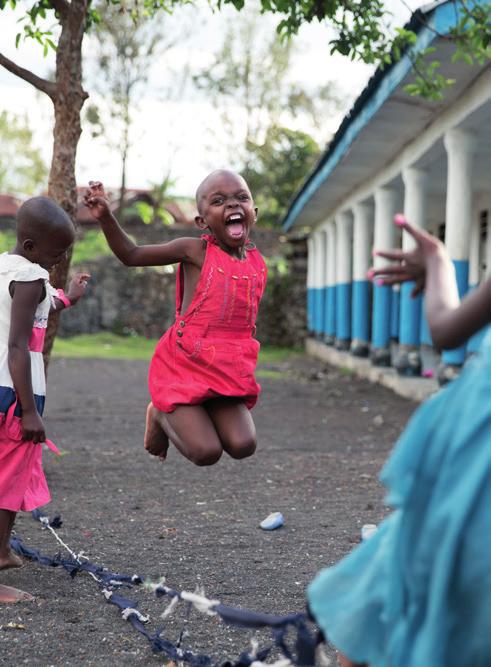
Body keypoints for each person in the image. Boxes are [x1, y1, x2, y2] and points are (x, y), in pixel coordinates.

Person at [307, 214, 491, 667]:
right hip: (472, 467)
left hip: (474, 467)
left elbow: (447, 329)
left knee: (389, 603)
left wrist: (437, 261)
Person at [84, 170, 267, 466]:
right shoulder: (195, 251)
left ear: (253, 213)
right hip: (186, 366)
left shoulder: (258, 264)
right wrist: (106, 216)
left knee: (244, 444)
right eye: (219, 201)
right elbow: (131, 254)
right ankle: (159, 411)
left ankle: (204, 409)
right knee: (206, 453)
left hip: (227, 372)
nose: (233, 205)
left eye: (241, 198)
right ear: (202, 221)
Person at [0, 196, 89, 589]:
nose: (60, 260)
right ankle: (0, 551)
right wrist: (29, 412)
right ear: (33, 247)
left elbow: (44, 307)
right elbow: (18, 346)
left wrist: (70, 295)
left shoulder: (9, 269)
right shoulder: (32, 278)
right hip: (16, 393)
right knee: (9, 475)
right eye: (57, 253)